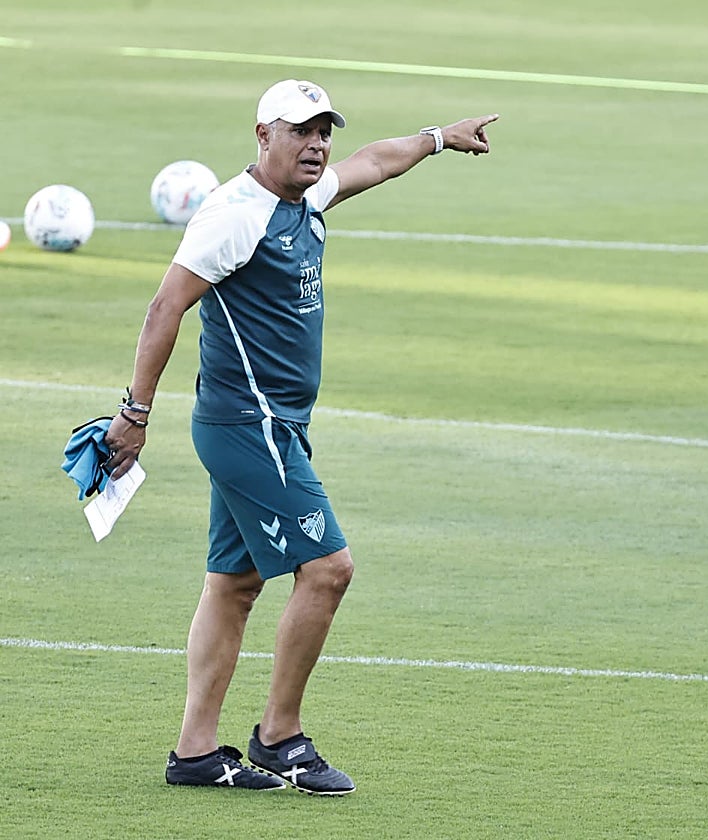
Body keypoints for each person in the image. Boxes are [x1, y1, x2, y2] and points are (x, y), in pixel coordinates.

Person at [103, 79, 499, 795]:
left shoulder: (304, 198)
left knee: (235, 585)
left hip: (270, 426)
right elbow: (165, 306)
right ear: (263, 136)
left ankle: (195, 751)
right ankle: (278, 736)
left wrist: (440, 137)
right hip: (247, 426)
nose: (317, 145)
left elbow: (375, 161)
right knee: (328, 569)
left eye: (324, 132)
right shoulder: (233, 217)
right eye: (301, 132)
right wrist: (134, 413)